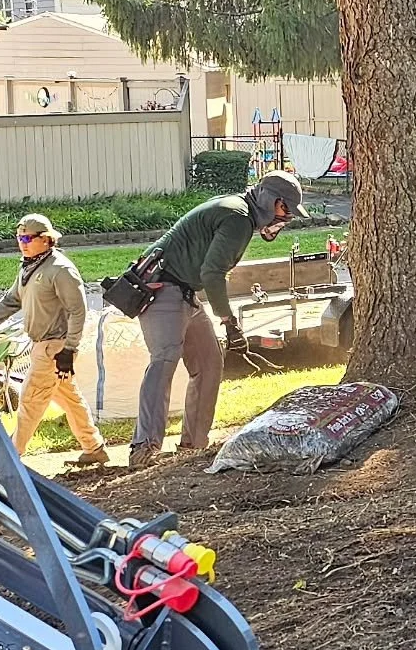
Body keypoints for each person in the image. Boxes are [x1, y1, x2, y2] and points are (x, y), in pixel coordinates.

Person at [129, 171, 309, 470]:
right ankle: (144, 448)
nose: (286, 217)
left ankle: (193, 446)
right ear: (270, 200)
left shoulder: (238, 210)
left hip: (183, 291)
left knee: (210, 363)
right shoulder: (238, 217)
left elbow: (208, 271)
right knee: (164, 361)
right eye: (285, 209)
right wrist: (227, 319)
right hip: (162, 288)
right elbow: (212, 273)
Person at [0, 213, 108, 465]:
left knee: (30, 401)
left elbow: (78, 311)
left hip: (55, 347)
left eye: (28, 238)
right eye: (19, 237)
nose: (23, 242)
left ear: (47, 239)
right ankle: (93, 447)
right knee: (69, 399)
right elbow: (12, 301)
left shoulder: (60, 270)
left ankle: (9, 457)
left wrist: (69, 350)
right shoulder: (29, 267)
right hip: (42, 345)